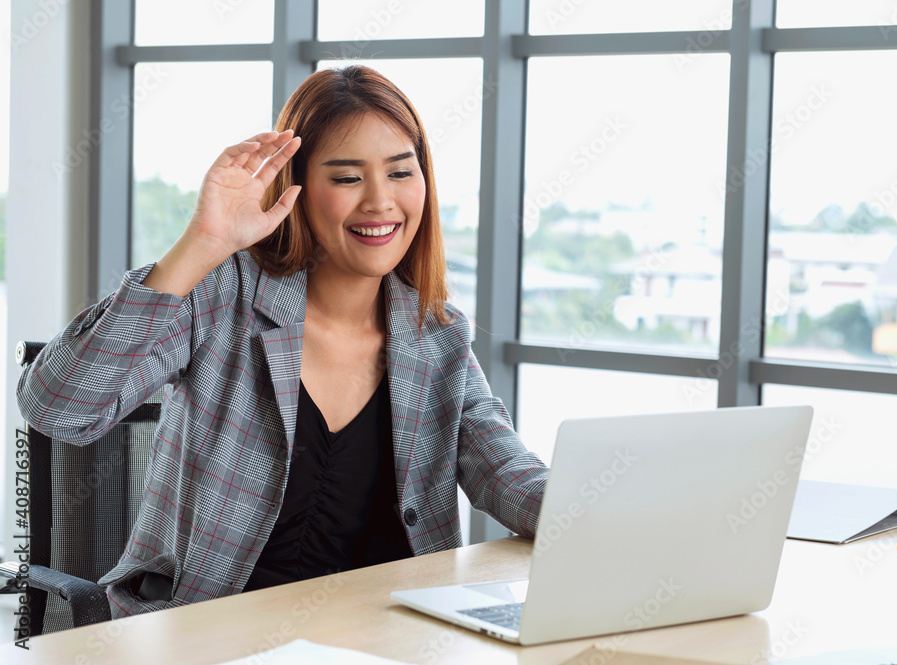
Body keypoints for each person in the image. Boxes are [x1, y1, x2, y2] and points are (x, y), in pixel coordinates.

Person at [17, 65, 548, 617]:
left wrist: (608, 513)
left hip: (383, 636)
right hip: (211, 635)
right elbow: (59, 409)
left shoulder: (436, 335)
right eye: (346, 178)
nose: (379, 202)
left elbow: (506, 474)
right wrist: (201, 246)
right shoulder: (224, 295)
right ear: (293, 187)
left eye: (400, 173)